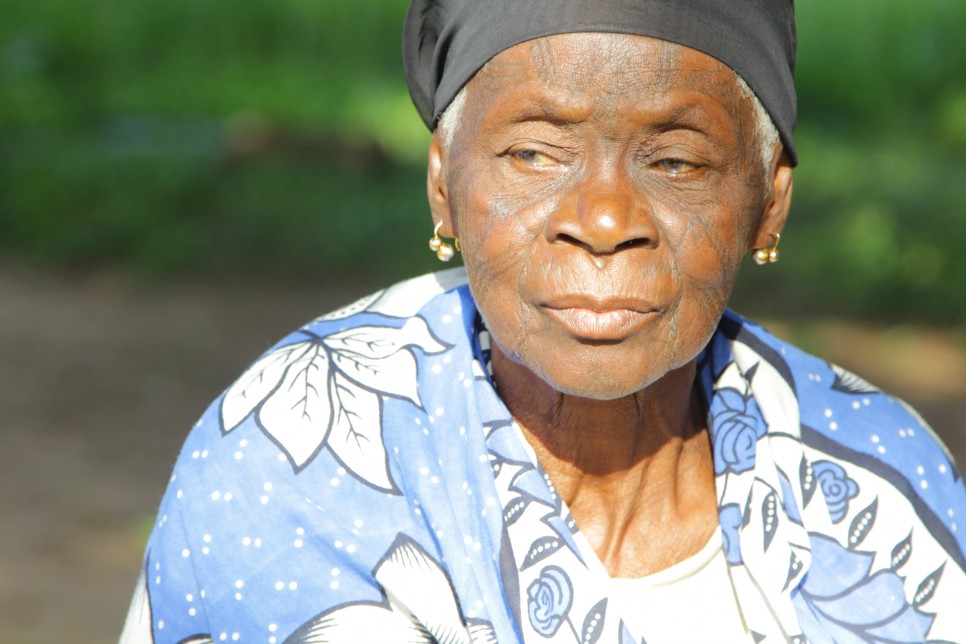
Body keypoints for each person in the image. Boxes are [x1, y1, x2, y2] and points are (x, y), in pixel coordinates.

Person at [121, 1, 966, 642]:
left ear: (767, 204)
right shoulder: (295, 461)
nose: (603, 220)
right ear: (443, 184)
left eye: (675, 160)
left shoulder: (880, 479)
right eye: (533, 153)